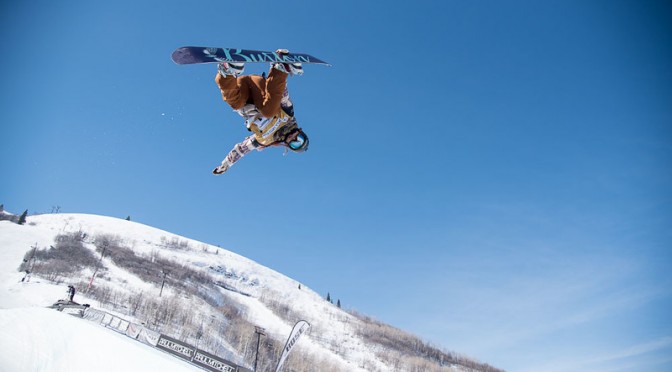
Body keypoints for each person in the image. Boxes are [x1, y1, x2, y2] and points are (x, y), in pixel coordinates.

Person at [212, 49, 309, 175]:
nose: (294, 138)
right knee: (269, 111)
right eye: (300, 138)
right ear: (301, 132)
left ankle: (228, 71)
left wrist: (226, 164)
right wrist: (282, 70)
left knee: (235, 104)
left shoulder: (264, 141)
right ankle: (280, 67)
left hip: (242, 93)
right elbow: (282, 94)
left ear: (288, 146)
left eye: (295, 144)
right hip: (258, 88)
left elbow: (242, 149)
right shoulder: (288, 115)